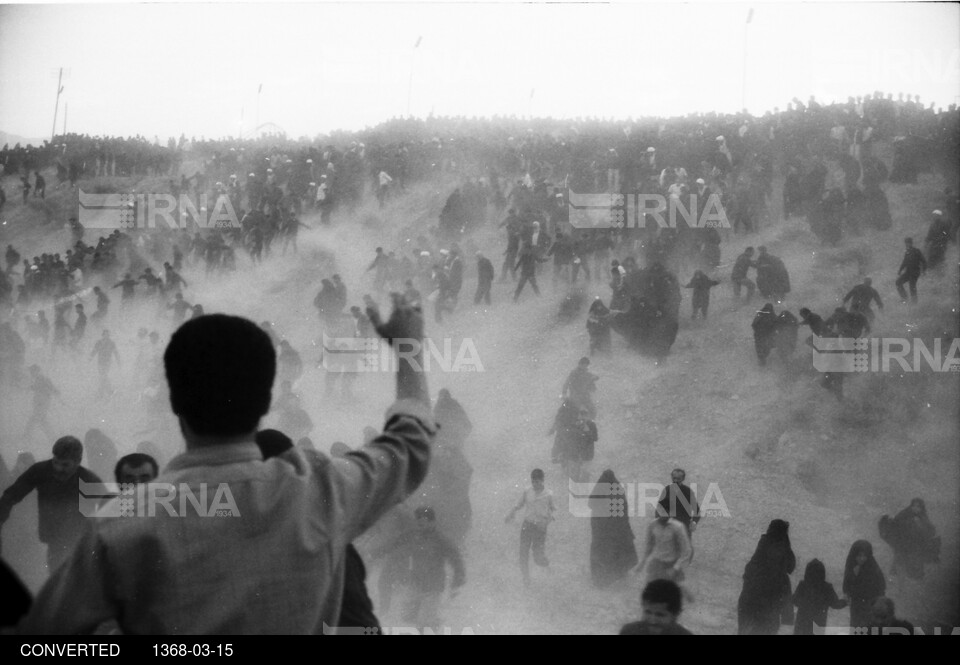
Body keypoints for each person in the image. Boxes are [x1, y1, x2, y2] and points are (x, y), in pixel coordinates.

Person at [17, 297, 435, 635]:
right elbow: (409, 444)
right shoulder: (320, 491)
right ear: (267, 403)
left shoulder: (123, 523)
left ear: (175, 405)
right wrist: (408, 348)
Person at [0, 436, 104, 572]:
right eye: (56, 462)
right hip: (54, 541)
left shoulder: (88, 480)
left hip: (81, 544)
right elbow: (11, 496)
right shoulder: (41, 471)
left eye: (65, 464)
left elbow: (110, 510)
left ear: (78, 461)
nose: (58, 468)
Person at [388, 506, 465, 631]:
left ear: (432, 522)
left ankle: (430, 625)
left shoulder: (440, 540)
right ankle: (433, 622)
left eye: (423, 520)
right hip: (415, 583)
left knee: (424, 623)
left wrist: (459, 576)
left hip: (433, 586)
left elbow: (455, 557)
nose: (420, 523)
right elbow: (394, 543)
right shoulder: (413, 535)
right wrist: (374, 553)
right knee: (407, 616)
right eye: (418, 520)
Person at [737, 519, 796, 635]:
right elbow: (791, 566)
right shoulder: (782, 575)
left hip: (748, 606)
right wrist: (787, 618)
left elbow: (747, 576)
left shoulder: (755, 563)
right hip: (769, 613)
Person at [505, 468, 555, 587]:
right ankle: (526, 578)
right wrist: (511, 513)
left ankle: (546, 564)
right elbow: (519, 504)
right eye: (533, 482)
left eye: (537, 482)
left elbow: (553, 511)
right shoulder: (527, 491)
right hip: (527, 526)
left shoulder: (548, 494)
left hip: (540, 528)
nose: (535, 484)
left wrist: (547, 522)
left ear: (543, 481)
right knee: (523, 553)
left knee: (538, 556)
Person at [589, 469, 638, 588]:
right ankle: (618, 572)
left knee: (602, 551)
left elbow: (591, 504)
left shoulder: (599, 490)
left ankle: (602, 577)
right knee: (617, 549)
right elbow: (622, 511)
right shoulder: (617, 491)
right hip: (616, 528)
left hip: (602, 529)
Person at [879, 498, 940, 580]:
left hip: (916, 547)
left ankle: (915, 583)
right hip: (903, 546)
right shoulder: (904, 514)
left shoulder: (923, 517)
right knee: (901, 568)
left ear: (921, 508)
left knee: (915, 570)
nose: (915, 508)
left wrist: (920, 524)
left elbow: (930, 531)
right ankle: (900, 583)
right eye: (913, 506)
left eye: (918, 506)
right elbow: (895, 525)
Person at [634, 504, 692, 585]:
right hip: (656, 564)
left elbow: (686, 551)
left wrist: (675, 568)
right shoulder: (652, 525)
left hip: (671, 565)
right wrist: (642, 563)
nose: (662, 515)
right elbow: (649, 546)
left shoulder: (678, 527)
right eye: (660, 512)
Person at [792, 558, 847, 635]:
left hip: (802, 624)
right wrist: (846, 601)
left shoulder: (803, 585)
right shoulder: (827, 587)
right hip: (818, 625)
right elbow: (835, 604)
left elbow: (795, 600)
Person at [619, 579, 693, 635]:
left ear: (675, 615)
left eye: (660, 615)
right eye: (648, 612)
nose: (653, 621)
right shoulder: (629, 631)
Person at [842, 540, 886, 628]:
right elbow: (847, 584)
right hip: (856, 605)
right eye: (859, 555)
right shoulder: (851, 565)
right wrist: (854, 575)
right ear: (854, 555)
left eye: (865, 556)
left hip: (870, 605)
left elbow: (881, 586)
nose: (862, 558)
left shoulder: (873, 567)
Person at [895, 237, 926, 303]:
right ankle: (905, 297)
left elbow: (923, 261)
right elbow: (904, 262)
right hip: (908, 272)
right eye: (906, 243)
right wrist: (900, 270)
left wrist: (924, 270)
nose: (907, 245)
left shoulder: (916, 251)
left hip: (915, 272)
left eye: (908, 243)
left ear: (911, 243)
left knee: (912, 287)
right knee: (898, 282)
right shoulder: (907, 252)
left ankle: (914, 303)